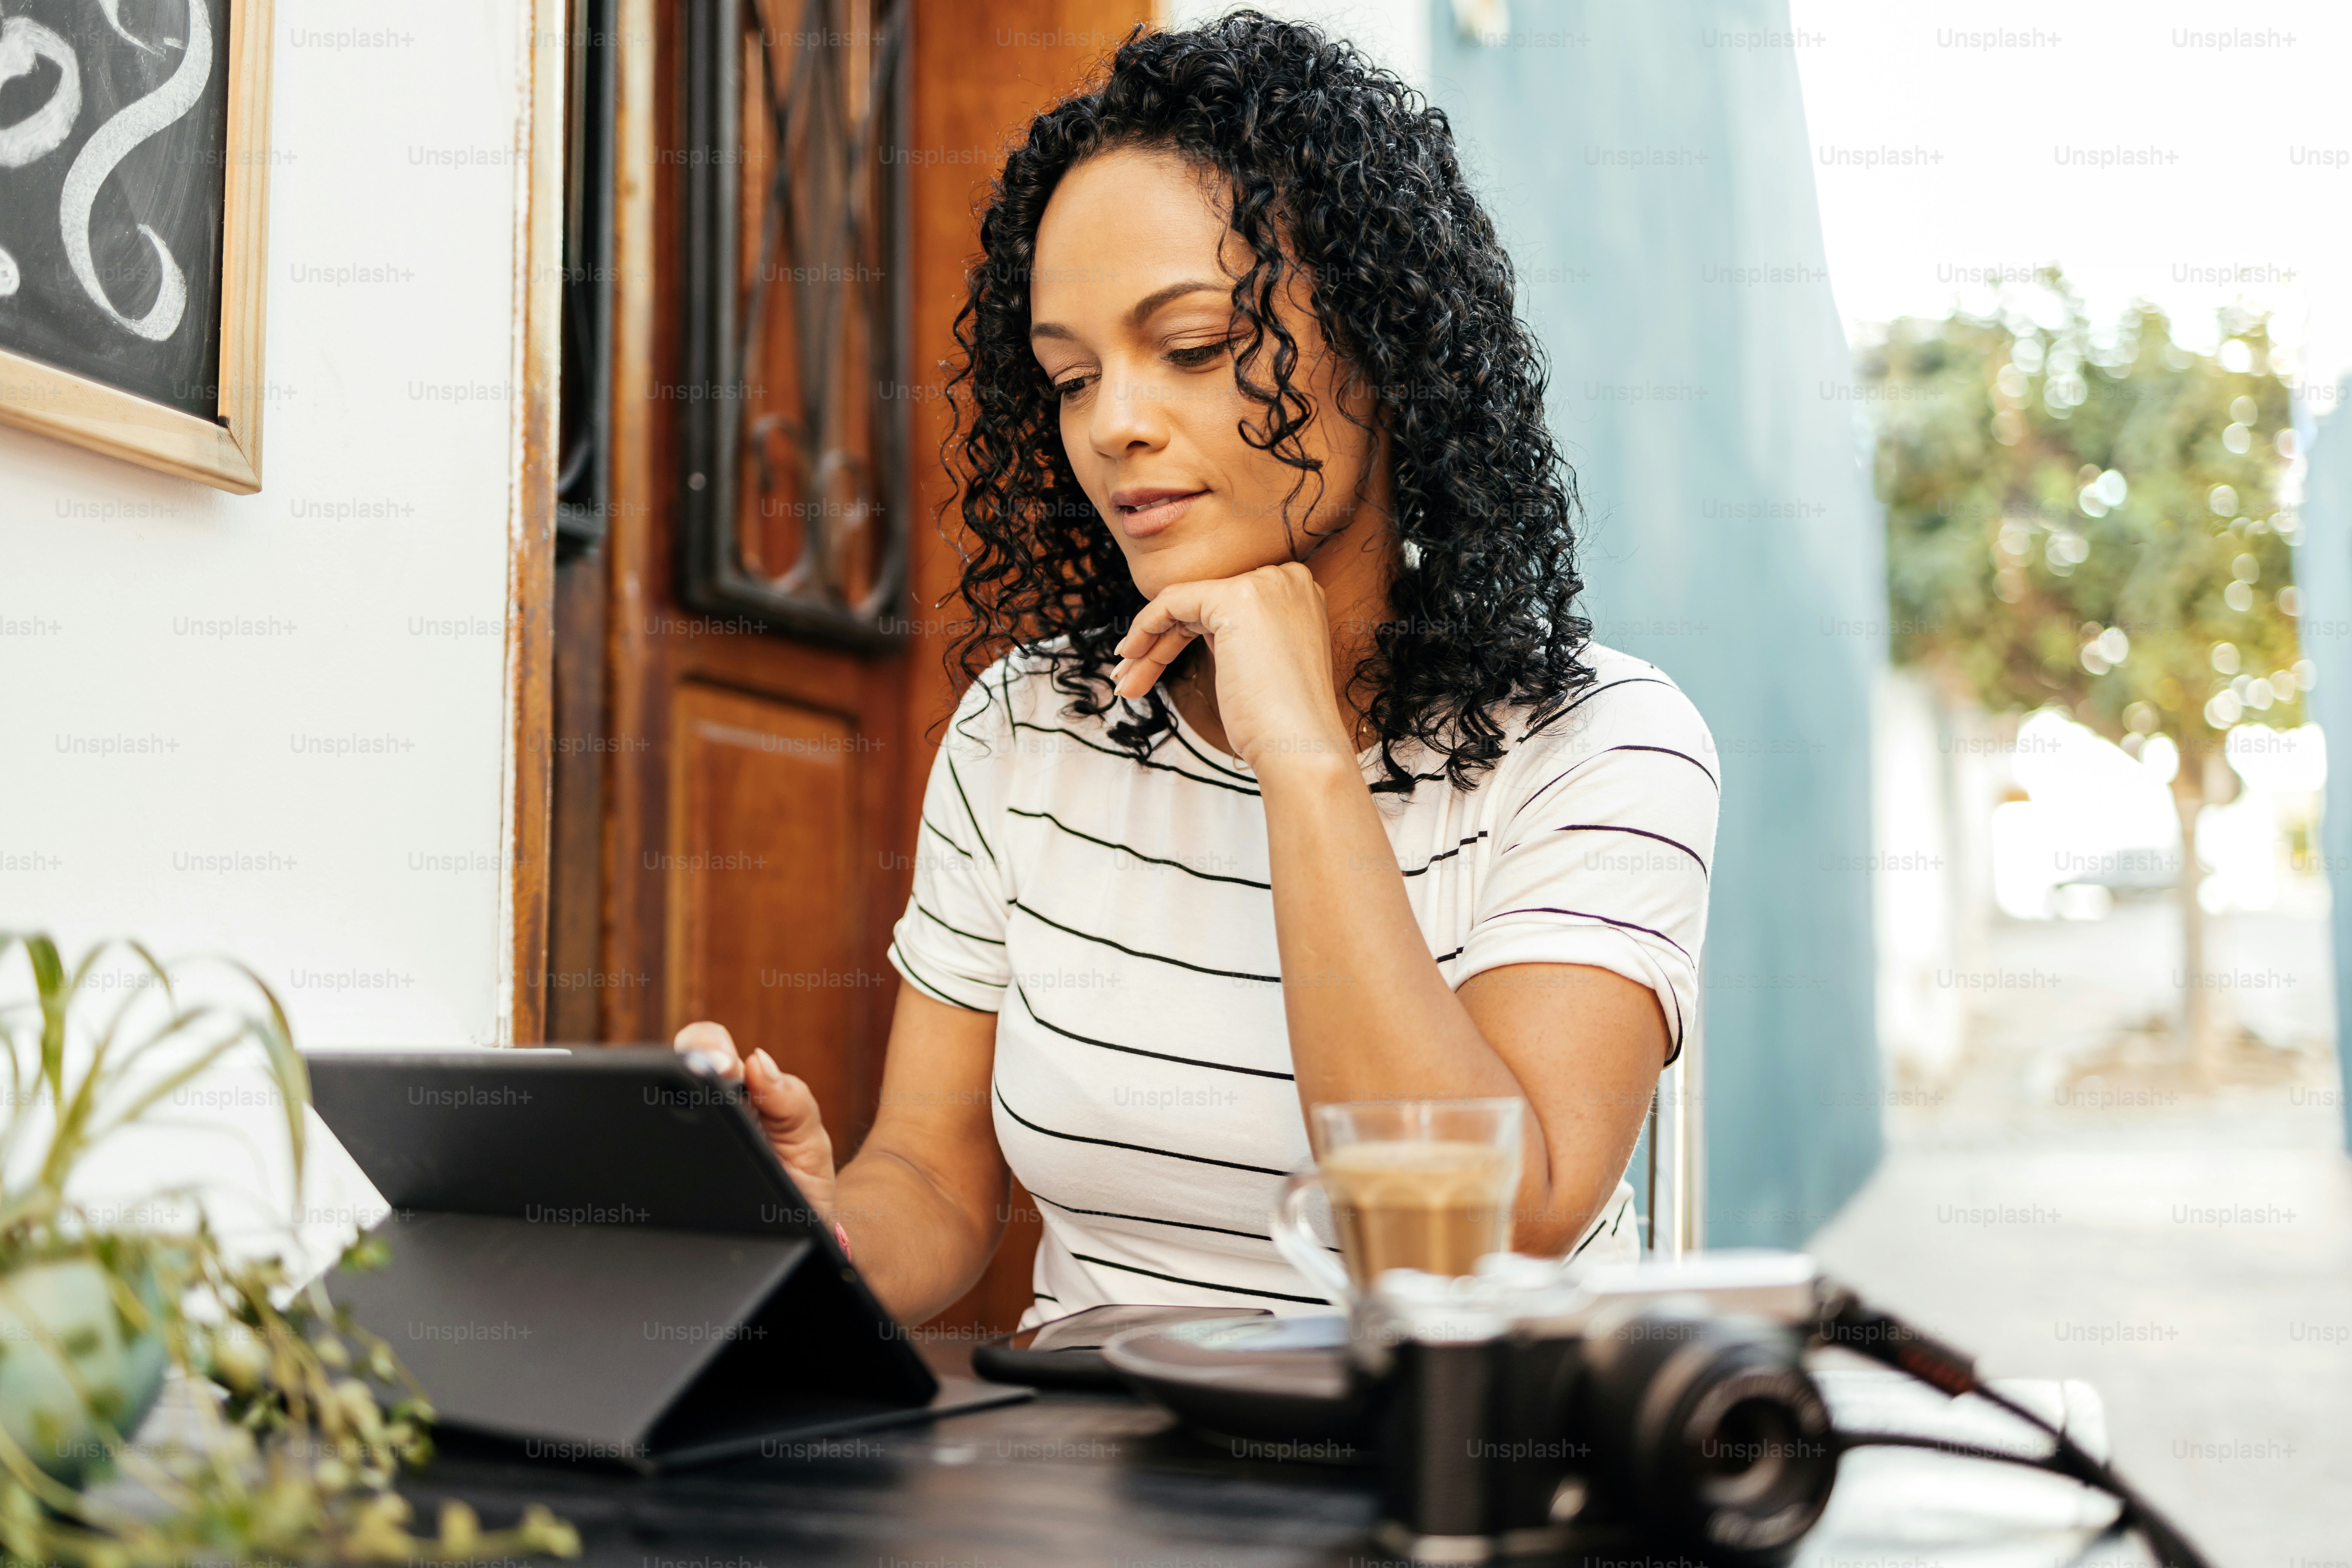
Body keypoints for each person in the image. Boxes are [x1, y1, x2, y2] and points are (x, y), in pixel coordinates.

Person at [676, 12, 1716, 1328]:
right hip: (1090, 1439)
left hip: (1449, 1439)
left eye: (1194, 348)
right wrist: (806, 1236)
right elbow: (933, 1178)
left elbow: (1478, 1237)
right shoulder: (1029, 727)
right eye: (1070, 377)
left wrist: (1302, 755)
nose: (1114, 424)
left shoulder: (1603, 744)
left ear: (1383, 345)